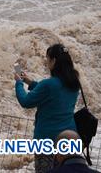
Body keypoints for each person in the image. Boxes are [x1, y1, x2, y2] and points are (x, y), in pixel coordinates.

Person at [16, 44, 81, 173]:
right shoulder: (74, 82)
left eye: (47, 59)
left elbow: (26, 101)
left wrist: (18, 83)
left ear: (54, 61)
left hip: (46, 140)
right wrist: (30, 82)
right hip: (68, 139)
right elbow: (53, 93)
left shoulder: (48, 84)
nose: (46, 62)